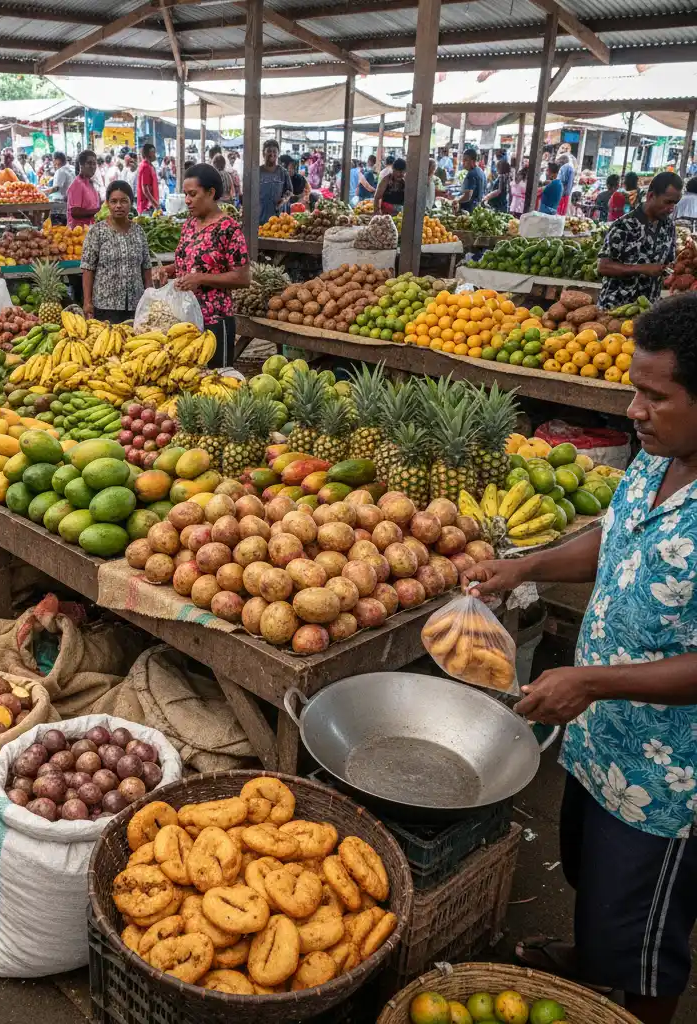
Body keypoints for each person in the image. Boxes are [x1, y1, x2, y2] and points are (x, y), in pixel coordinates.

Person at [465, 292, 697, 1024]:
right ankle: (591, 955)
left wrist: (590, 679)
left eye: (654, 396)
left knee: (650, 929)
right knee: (596, 877)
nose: (633, 408)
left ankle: (636, 1008)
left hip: (667, 779)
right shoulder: (654, 461)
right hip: (600, 739)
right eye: (634, 387)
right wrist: (524, 567)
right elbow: (611, 541)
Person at [155, 163, 249, 366]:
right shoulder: (190, 223)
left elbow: (242, 277)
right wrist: (169, 270)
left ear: (210, 192)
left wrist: (200, 279)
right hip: (184, 317)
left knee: (215, 381)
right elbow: (189, 261)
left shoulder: (229, 229)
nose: (187, 200)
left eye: (192, 194)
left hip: (214, 320)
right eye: (185, 194)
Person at [597, 171, 681, 311]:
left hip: (649, 311)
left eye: (675, 203)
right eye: (667, 202)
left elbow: (669, 263)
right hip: (615, 310)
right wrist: (640, 269)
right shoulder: (624, 226)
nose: (671, 209)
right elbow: (603, 266)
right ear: (651, 196)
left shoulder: (669, 227)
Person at [80, 180, 153, 323]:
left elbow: (146, 266)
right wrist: (87, 302)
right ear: (107, 204)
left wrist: (150, 296)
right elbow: (88, 269)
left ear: (131, 203)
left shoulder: (139, 231)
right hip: (105, 306)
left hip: (136, 304)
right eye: (113, 201)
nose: (118, 206)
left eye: (124, 201)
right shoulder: (97, 231)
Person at [257, 139, 291, 224]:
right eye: (269, 151)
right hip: (258, 218)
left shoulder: (283, 172)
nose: (272, 154)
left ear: (278, 154)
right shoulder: (257, 172)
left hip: (278, 220)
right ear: (263, 153)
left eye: (274, 151)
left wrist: (284, 199)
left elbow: (289, 191)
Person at [66, 150, 102, 229]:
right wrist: (98, 211)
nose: (92, 166)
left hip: (90, 229)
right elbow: (75, 212)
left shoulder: (91, 183)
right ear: (81, 165)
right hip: (78, 233)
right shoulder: (77, 184)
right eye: (89, 163)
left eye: (94, 163)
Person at [134, 143, 160, 215]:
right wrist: (156, 205)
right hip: (146, 207)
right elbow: (145, 189)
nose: (155, 154)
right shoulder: (145, 166)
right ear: (148, 153)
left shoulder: (150, 165)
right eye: (153, 152)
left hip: (150, 205)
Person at [556, 152, 576, 216]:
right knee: (563, 213)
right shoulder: (571, 167)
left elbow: (560, 181)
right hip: (567, 194)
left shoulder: (564, 167)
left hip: (562, 193)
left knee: (559, 213)